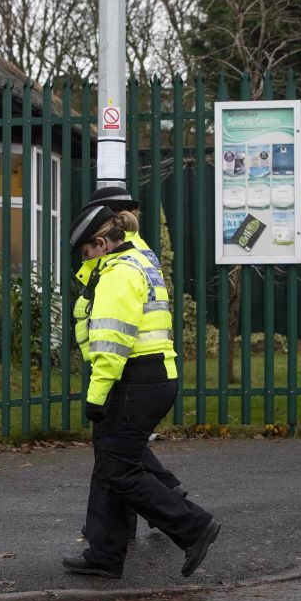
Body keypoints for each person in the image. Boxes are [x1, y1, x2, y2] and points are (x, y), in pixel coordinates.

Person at [64, 200, 220, 579]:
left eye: (86, 252)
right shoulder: (138, 257)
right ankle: (105, 554)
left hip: (134, 379)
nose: (84, 262)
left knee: (117, 468)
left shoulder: (118, 274)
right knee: (110, 461)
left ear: (102, 243)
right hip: (149, 377)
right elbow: (129, 232)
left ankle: (191, 525)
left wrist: (96, 396)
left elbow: (112, 343)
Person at [77, 186, 187, 540]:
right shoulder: (138, 253)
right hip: (134, 370)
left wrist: (99, 386)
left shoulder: (122, 262)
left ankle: (174, 514)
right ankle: (109, 543)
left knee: (116, 459)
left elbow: (115, 332)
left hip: (128, 371)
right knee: (120, 455)